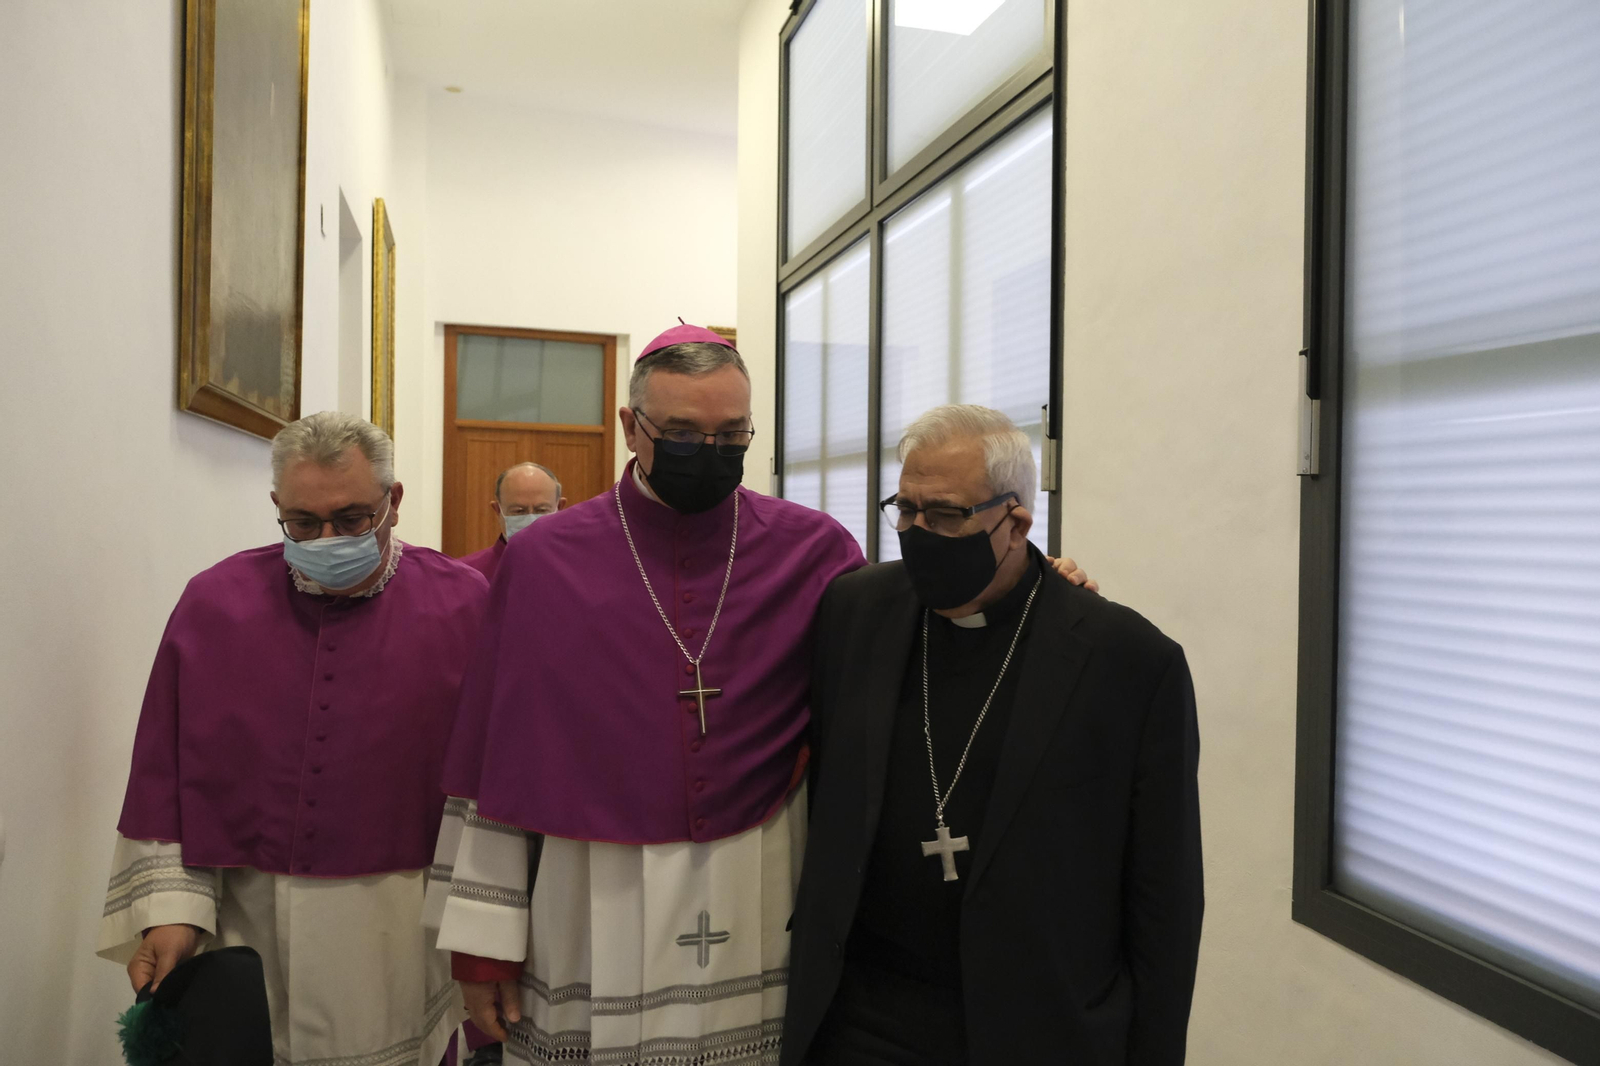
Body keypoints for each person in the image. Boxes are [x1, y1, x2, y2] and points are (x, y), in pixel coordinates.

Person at [783, 405, 1203, 1066]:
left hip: (1038, 1022)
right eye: (907, 509)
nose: (920, 532)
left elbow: (1164, 898)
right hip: (865, 1014)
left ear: (1017, 522)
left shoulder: (1127, 661)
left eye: (946, 514)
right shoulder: (854, 611)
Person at [99, 411, 488, 1066]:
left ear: (393, 502)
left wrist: (484, 938)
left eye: (353, 518)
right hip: (249, 919)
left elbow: (490, 786)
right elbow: (162, 772)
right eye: (304, 524)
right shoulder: (214, 604)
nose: (327, 537)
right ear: (278, 506)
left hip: (398, 918)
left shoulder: (465, 606)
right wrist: (171, 912)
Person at [460, 461, 567, 581]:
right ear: (497, 510)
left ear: (560, 507)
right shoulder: (467, 574)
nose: (531, 521)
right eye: (519, 511)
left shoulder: (579, 569)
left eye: (541, 510)